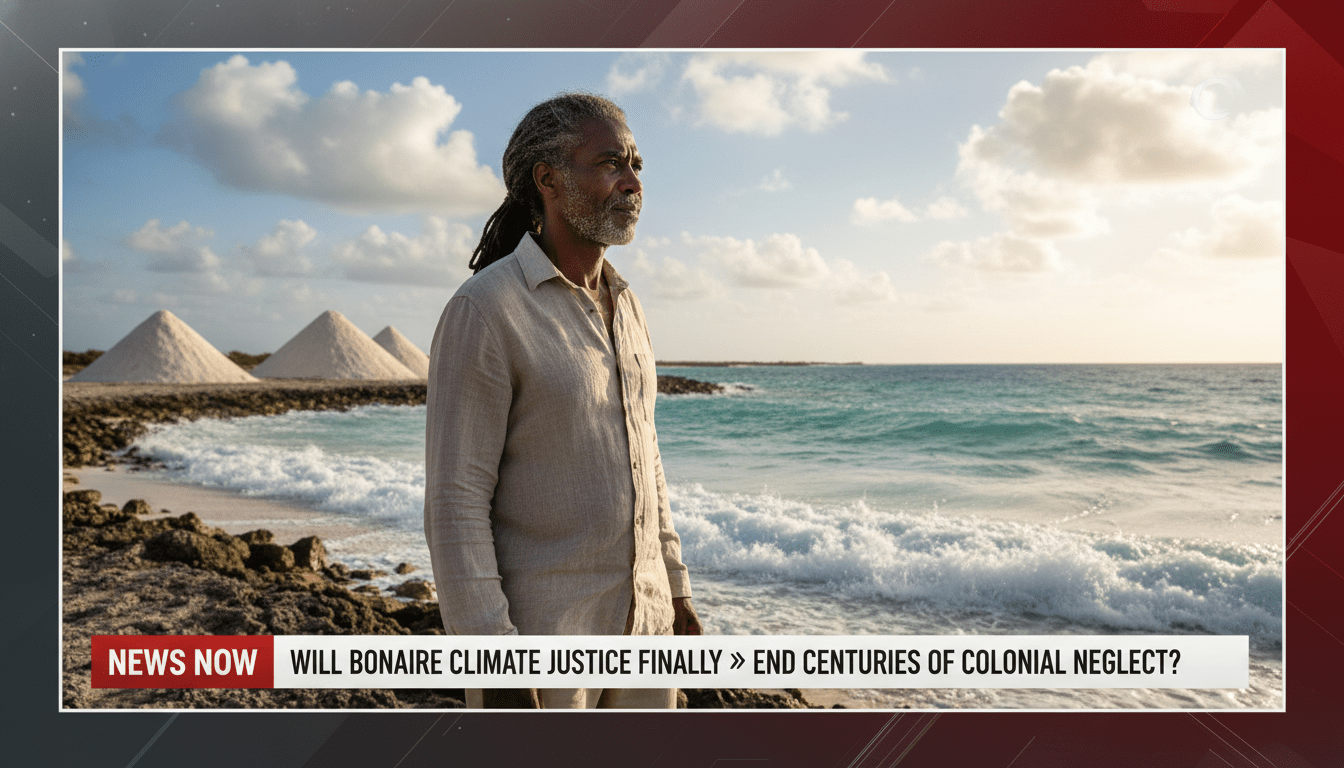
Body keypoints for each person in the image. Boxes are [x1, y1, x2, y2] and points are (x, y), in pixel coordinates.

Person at [424, 93, 701, 710]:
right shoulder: (487, 309)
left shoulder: (627, 305)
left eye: (635, 164)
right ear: (547, 179)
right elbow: (455, 499)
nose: (632, 182)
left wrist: (675, 590)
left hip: (646, 632)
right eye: (610, 163)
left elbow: (645, 457)